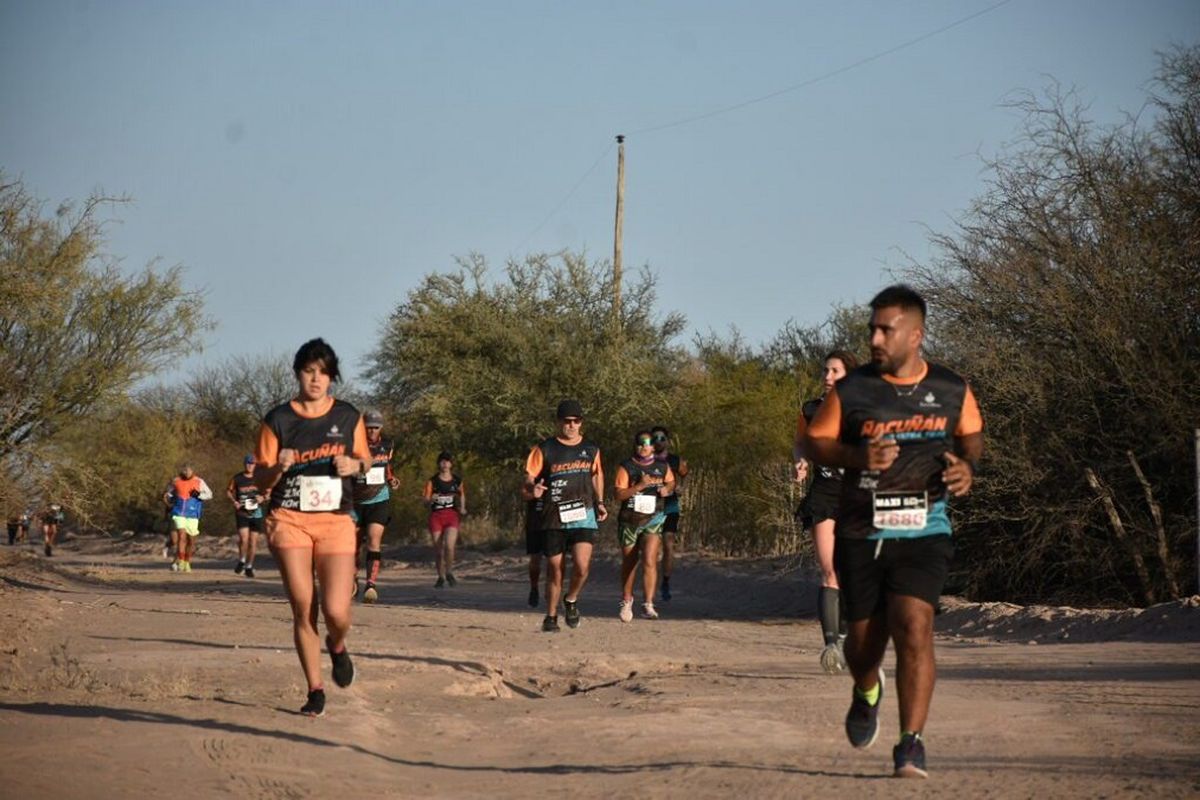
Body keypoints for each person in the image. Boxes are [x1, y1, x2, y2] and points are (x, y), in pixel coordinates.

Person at [803, 285, 983, 779]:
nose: (875, 338)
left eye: (886, 329)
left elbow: (971, 434)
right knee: (863, 647)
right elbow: (814, 441)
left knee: (914, 627)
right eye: (872, 329)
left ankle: (911, 743)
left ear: (916, 334)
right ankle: (866, 690)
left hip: (925, 527)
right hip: (861, 530)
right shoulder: (853, 389)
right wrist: (857, 456)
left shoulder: (950, 388)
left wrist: (966, 466)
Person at [254, 337, 371, 717]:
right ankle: (315, 689)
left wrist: (352, 466)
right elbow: (260, 483)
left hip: (335, 520)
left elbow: (366, 460)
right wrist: (278, 466)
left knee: (337, 611)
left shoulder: (348, 416)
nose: (315, 379)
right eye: (309, 371)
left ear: (332, 377)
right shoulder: (278, 420)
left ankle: (337, 646)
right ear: (298, 374)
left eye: (323, 372)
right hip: (289, 519)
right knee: (304, 605)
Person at [793, 350, 859, 674]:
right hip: (825, 493)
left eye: (835, 371)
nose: (828, 377)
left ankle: (846, 636)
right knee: (830, 569)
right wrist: (801, 460)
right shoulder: (811, 409)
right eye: (826, 371)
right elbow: (800, 444)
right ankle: (831, 645)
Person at [523, 399, 607, 632]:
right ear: (558, 422)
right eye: (566, 421)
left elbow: (596, 475)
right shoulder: (545, 449)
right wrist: (533, 489)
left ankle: (571, 600)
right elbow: (529, 477)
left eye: (576, 421)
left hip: (583, 512)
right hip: (553, 516)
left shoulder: (591, 449)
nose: (571, 425)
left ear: (581, 423)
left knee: (581, 565)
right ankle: (551, 617)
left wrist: (600, 502)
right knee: (554, 567)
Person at [614, 430, 675, 622]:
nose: (644, 447)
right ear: (635, 446)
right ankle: (626, 600)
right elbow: (619, 495)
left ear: (653, 447)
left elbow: (671, 482)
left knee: (650, 558)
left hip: (653, 519)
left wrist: (667, 489)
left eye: (647, 444)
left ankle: (648, 604)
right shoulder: (627, 467)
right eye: (640, 444)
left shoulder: (661, 466)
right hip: (630, 520)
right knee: (630, 561)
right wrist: (638, 487)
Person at [352, 410, 400, 603]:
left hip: (379, 499)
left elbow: (386, 467)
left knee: (373, 539)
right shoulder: (354, 446)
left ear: (381, 428)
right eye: (368, 427)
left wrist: (392, 479)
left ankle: (371, 585)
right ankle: (351, 580)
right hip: (355, 501)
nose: (372, 431)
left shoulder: (387, 445)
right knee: (352, 546)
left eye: (375, 427)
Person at [650, 426, 688, 601]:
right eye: (655, 438)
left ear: (667, 440)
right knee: (651, 548)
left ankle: (665, 581)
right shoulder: (645, 459)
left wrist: (679, 487)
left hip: (669, 507)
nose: (659, 441)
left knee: (668, 545)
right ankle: (650, 580)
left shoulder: (674, 460)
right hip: (649, 508)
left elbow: (684, 473)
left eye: (662, 438)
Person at [423, 452, 465, 588]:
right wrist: (431, 500)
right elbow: (425, 501)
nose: (445, 464)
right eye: (442, 461)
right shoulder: (432, 481)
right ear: (438, 464)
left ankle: (449, 572)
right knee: (439, 550)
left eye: (448, 461)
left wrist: (463, 507)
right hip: (436, 517)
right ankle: (440, 576)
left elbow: (462, 495)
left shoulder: (457, 480)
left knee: (449, 545)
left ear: (451, 464)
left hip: (451, 516)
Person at [163, 464, 212, 572]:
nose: (186, 473)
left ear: (192, 471)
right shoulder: (176, 481)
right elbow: (168, 494)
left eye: (188, 471)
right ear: (181, 471)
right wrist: (169, 499)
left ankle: (187, 561)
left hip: (193, 514)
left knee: (191, 541)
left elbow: (209, 494)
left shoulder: (199, 481)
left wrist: (198, 494)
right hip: (179, 512)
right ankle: (180, 561)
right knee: (182, 536)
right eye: (184, 471)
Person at [227, 455, 267, 578]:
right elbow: (228, 491)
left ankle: (249, 566)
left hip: (256, 512)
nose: (250, 465)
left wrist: (263, 497)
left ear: (256, 465)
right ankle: (242, 560)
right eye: (248, 463)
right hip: (242, 512)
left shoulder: (260, 478)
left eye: (252, 463)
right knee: (243, 539)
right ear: (244, 464)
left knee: (253, 542)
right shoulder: (237, 478)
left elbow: (269, 492)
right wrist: (234, 501)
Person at [523, 495, 544, 607]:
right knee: (535, 560)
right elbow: (524, 493)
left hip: (556, 522)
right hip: (535, 523)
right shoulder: (533, 477)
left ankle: (553, 592)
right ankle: (534, 587)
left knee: (555, 561)